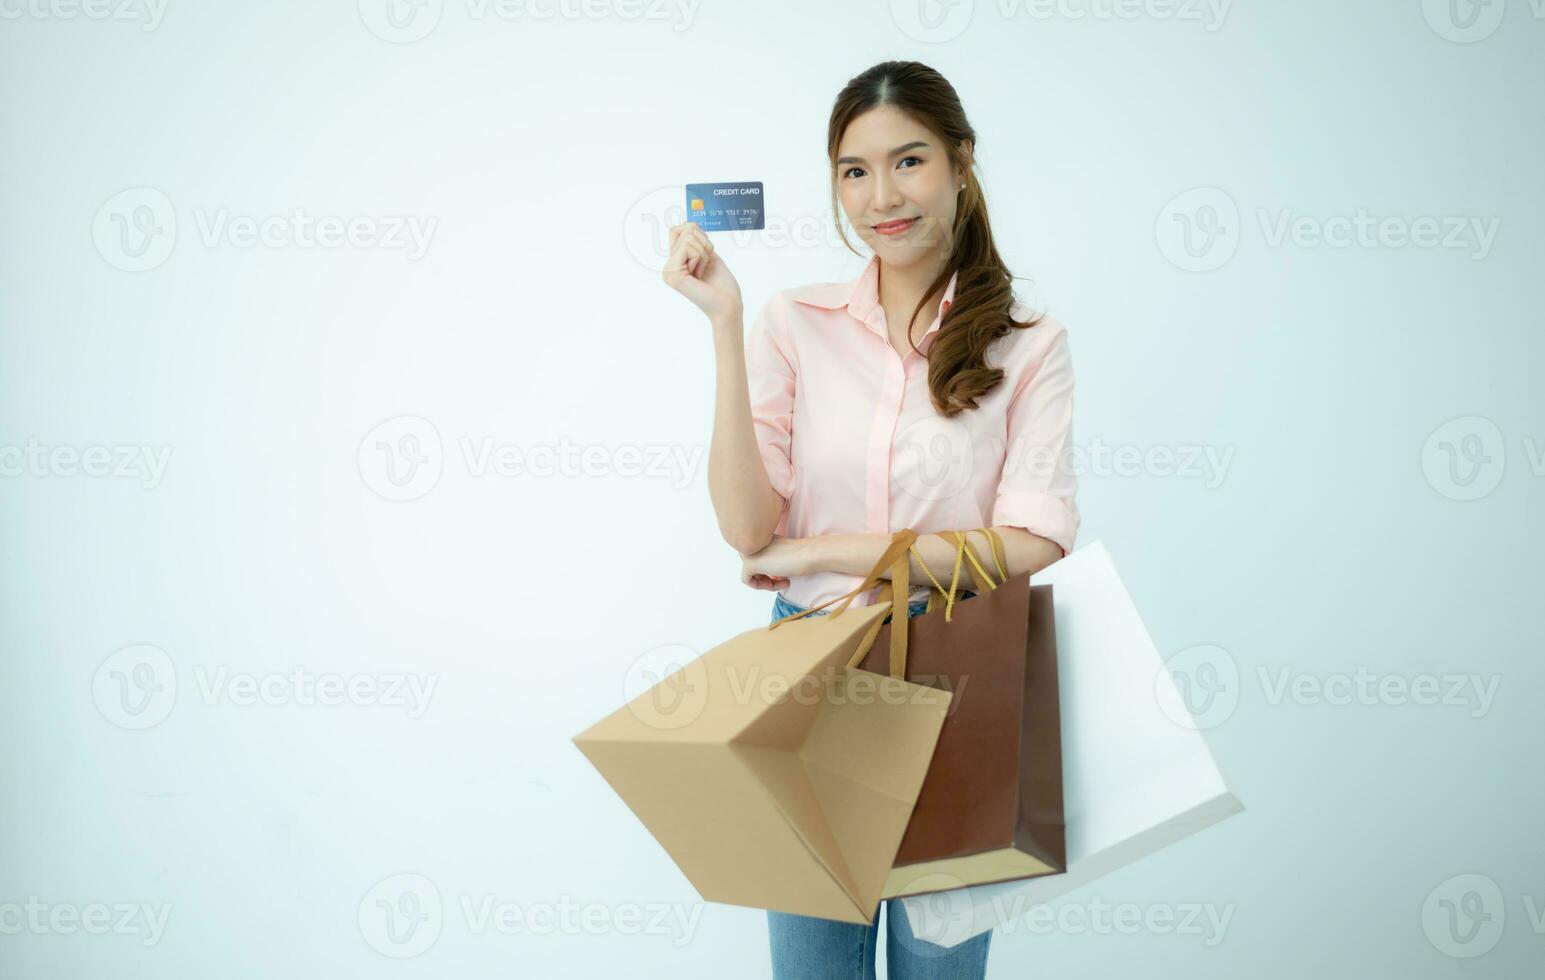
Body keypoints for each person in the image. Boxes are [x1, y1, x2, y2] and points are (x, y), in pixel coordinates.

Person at [663, 59, 1080, 980]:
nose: (880, 196)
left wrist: (824, 549)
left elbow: (1033, 539)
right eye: (854, 170)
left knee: (939, 972)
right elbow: (745, 528)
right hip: (811, 665)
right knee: (811, 970)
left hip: (956, 681)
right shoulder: (791, 322)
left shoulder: (1027, 343)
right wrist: (722, 326)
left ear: (962, 163)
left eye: (908, 162)